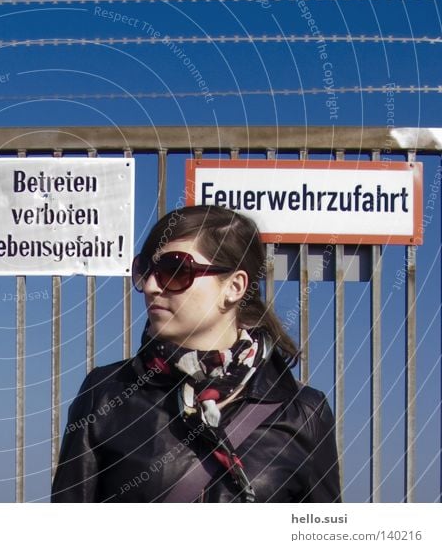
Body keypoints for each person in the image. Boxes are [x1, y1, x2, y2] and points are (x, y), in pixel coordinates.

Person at [51, 205, 341, 502]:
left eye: (174, 270)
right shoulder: (106, 394)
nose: (151, 286)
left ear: (234, 287)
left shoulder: (304, 413)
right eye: (146, 270)